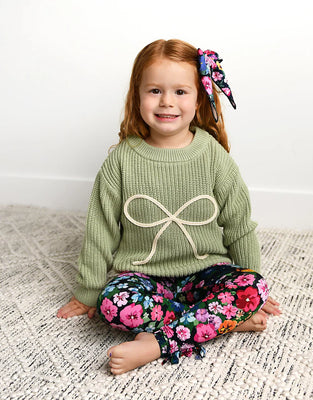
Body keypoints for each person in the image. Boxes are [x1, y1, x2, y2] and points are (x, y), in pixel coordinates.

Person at [57, 39, 281, 375]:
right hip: (144, 276)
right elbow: (100, 228)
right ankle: (220, 321)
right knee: (113, 303)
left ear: (199, 97)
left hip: (205, 273)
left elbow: (239, 225)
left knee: (253, 288)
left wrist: (251, 286)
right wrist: (87, 292)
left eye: (180, 91)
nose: (167, 102)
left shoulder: (213, 156)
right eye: (154, 91)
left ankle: (157, 344)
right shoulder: (121, 161)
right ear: (136, 96)